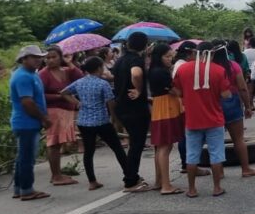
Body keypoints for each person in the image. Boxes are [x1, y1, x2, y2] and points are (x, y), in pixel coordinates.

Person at [61, 56, 132, 192]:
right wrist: (115, 119)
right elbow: (110, 102)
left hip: (84, 121)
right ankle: (129, 175)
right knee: (117, 148)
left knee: (89, 151)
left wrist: (77, 103)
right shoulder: (102, 84)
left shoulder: (80, 82)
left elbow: (63, 93)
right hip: (101, 120)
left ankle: (92, 181)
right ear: (99, 68)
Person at [173, 42, 231, 198]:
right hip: (214, 119)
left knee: (192, 155)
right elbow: (226, 95)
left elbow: (177, 91)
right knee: (216, 154)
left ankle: (191, 189)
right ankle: (217, 187)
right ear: (210, 53)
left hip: (192, 119)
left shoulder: (183, 69)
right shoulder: (219, 70)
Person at [210, 40, 255, 178]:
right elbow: (243, 88)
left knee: (216, 140)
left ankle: (219, 171)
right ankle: (245, 168)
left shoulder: (209, 67)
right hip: (231, 101)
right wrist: (248, 106)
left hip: (213, 103)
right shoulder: (234, 66)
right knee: (238, 139)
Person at [110, 32, 153, 193]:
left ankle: (131, 176)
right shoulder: (136, 59)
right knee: (136, 144)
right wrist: (139, 90)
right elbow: (136, 73)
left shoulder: (120, 60)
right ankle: (130, 180)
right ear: (144, 45)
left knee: (134, 143)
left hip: (121, 106)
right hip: (135, 108)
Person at [9, 45, 52, 201]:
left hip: (29, 122)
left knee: (23, 157)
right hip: (26, 122)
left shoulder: (32, 74)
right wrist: (43, 118)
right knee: (27, 158)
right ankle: (27, 190)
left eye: (40, 57)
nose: (39, 60)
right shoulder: (23, 77)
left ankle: (19, 188)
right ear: (24, 59)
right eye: (35, 57)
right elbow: (27, 102)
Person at [38, 46, 82, 186]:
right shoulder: (44, 74)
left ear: (60, 57)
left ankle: (57, 173)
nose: (50, 60)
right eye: (47, 57)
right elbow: (41, 95)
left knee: (59, 143)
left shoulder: (66, 71)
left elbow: (80, 78)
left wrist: (70, 63)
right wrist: (60, 96)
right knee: (54, 143)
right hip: (54, 111)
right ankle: (55, 175)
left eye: (53, 57)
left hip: (66, 111)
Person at [146, 44, 184, 195]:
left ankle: (159, 181)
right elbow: (175, 91)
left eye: (170, 56)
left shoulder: (153, 70)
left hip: (159, 106)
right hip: (166, 107)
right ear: (159, 56)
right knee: (165, 146)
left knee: (161, 146)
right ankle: (166, 185)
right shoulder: (161, 72)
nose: (170, 59)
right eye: (167, 56)